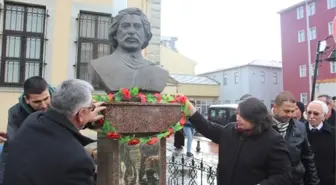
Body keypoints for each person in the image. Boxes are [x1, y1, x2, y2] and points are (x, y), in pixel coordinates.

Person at [2, 79, 105, 185]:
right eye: (91, 107)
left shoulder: (32, 119)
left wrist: (84, 119)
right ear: (81, 113)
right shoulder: (79, 160)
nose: (43, 105)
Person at [187, 96, 292, 185]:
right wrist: (191, 110)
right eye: (238, 114)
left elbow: (284, 175)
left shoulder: (273, 140)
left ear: (256, 119)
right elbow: (207, 127)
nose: (238, 118)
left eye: (243, 116)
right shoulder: (230, 130)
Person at [0, 76, 54, 183]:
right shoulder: (16, 113)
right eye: (37, 102)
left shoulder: (63, 102)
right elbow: (12, 147)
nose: (43, 105)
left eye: (46, 99)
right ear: (27, 100)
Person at [272, 91, 319, 185]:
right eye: (286, 111)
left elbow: (308, 158)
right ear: (275, 107)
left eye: (292, 111)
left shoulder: (300, 128)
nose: (290, 115)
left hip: (295, 181)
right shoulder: (263, 127)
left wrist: (314, 182)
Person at [306, 100, 336, 185]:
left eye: (316, 113)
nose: (311, 116)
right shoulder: (299, 132)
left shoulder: (333, 134)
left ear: (324, 116)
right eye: (309, 112)